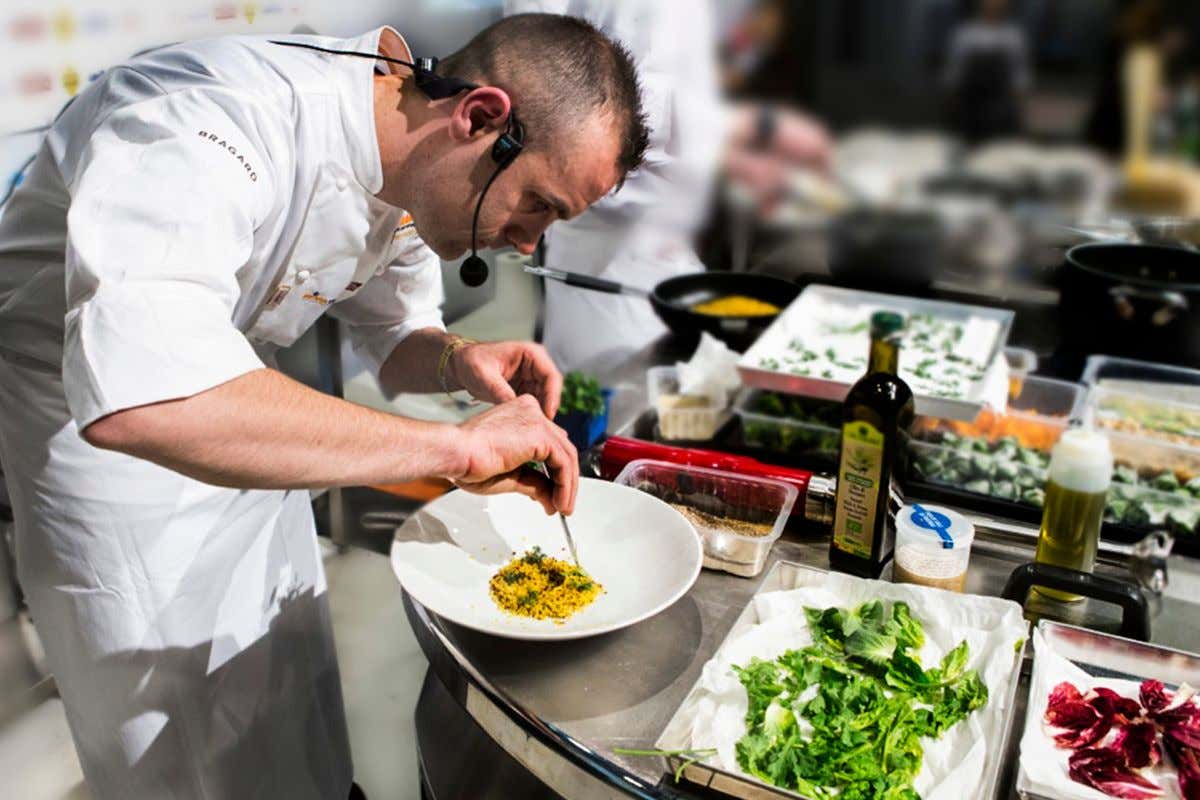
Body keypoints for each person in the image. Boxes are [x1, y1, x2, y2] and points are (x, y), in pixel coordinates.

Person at [0, 14, 647, 800]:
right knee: (177, 746)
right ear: (480, 117)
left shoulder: (417, 153)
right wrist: (454, 448)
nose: (527, 244)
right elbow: (142, 396)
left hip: (247, 401)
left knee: (285, 675)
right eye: (538, 203)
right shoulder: (202, 119)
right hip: (97, 441)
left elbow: (394, 333)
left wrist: (455, 358)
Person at [504, 0, 831, 373]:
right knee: (616, 393)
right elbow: (541, 89)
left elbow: (727, 45)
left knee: (692, 385)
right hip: (609, 258)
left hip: (688, 238)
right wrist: (724, 130)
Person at [943, 0, 1033, 144]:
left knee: (1000, 145)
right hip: (969, 104)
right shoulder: (965, 33)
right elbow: (954, 71)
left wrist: (1021, 108)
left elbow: (1019, 76)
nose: (994, 4)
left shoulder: (1014, 35)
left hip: (1001, 104)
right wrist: (951, 102)